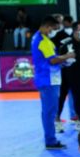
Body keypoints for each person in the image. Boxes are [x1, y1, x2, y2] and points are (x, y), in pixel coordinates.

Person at [31, 14, 76, 149]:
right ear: (47, 27)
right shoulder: (43, 41)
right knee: (50, 111)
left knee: (48, 110)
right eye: (53, 29)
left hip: (48, 78)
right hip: (48, 79)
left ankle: (50, 139)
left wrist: (61, 62)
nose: (54, 32)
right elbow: (52, 60)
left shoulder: (39, 38)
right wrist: (68, 56)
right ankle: (50, 141)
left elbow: (50, 60)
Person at [52, 14, 79, 133]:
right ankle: (57, 120)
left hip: (77, 73)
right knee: (61, 97)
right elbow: (57, 55)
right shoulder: (61, 39)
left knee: (78, 97)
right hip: (65, 72)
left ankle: (78, 119)